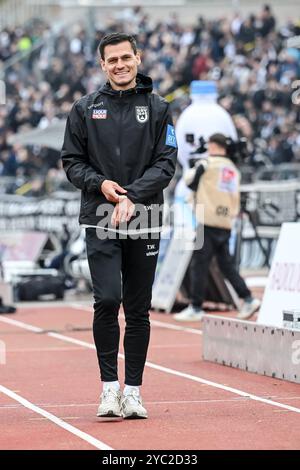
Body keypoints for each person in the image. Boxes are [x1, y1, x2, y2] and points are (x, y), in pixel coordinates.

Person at [61, 33, 177, 419]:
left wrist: (133, 196)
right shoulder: (84, 108)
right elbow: (72, 161)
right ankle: (109, 389)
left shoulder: (160, 108)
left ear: (138, 59)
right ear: (102, 65)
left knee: (138, 309)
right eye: (112, 60)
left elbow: (166, 163)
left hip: (143, 215)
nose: (120, 65)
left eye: (126, 57)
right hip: (100, 215)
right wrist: (101, 185)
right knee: (108, 299)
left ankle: (134, 391)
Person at [174, 133, 260, 322]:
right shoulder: (232, 169)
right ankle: (247, 298)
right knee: (226, 266)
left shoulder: (207, 164)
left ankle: (196, 307)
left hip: (207, 221)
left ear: (212, 145)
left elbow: (188, 182)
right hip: (225, 222)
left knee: (199, 264)